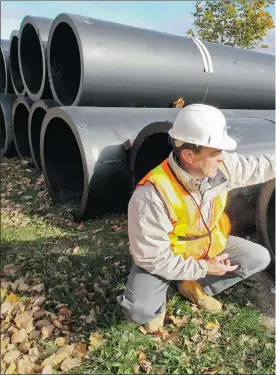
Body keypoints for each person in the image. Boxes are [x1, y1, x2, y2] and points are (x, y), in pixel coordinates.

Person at [117, 104, 275, 332]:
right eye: (215, 152)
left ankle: (190, 285)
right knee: (141, 313)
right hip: (166, 257)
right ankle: (166, 288)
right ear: (189, 155)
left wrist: (202, 268)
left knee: (258, 257)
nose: (222, 158)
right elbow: (151, 257)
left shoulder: (222, 167)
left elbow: (259, 167)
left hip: (207, 247)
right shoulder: (152, 195)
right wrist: (204, 267)